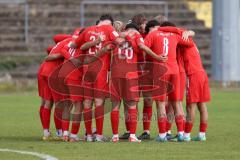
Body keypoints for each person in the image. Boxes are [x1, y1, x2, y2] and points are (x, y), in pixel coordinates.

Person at [144, 20, 193, 142]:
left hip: (161, 72)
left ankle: (162, 135)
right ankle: (181, 133)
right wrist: (184, 32)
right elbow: (190, 43)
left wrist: (155, 56)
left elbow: (142, 46)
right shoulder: (175, 35)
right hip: (175, 71)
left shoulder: (153, 34)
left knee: (160, 104)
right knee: (176, 103)